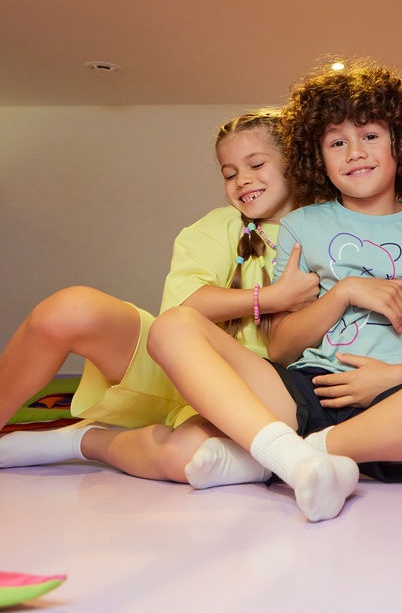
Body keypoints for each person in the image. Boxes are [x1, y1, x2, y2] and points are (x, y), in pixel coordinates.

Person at [143, 60, 402, 520]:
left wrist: (399, 375)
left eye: (370, 135)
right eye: (337, 142)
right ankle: (294, 457)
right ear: (317, 156)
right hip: (304, 391)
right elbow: (280, 346)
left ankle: (296, 455)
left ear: (400, 142)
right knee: (172, 327)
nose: (354, 153)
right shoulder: (301, 225)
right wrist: (343, 292)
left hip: (392, 405)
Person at [0, 109, 320, 490]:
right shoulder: (220, 226)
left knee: (188, 460)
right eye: (229, 173)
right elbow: (183, 309)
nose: (242, 180)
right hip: (171, 365)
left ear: (293, 163)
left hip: (248, 392)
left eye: (256, 164)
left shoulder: (329, 231)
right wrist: (272, 297)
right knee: (68, 310)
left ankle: (80, 440)